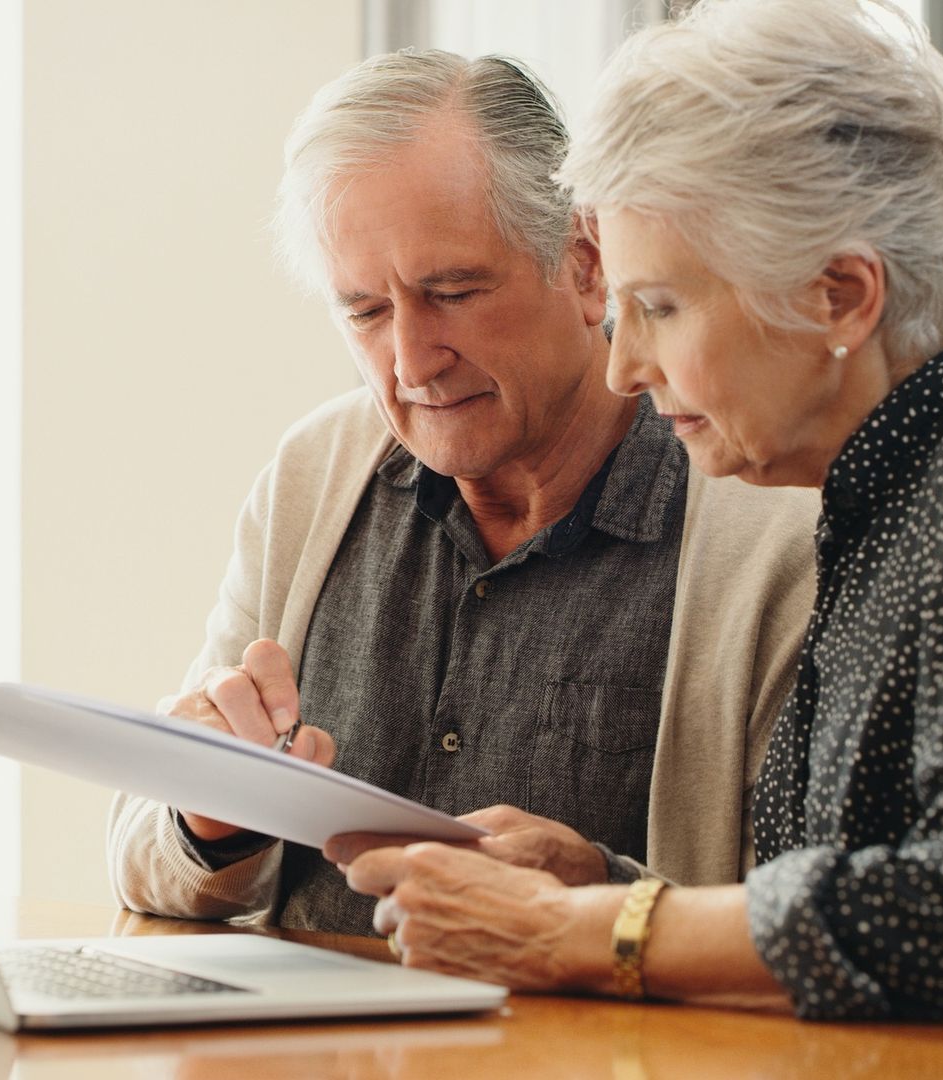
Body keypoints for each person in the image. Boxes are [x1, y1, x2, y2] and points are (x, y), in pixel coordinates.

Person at [333, 0, 943, 1029]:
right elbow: (849, 917)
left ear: (840, 296)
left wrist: (577, 931)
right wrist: (602, 888)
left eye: (663, 308)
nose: (626, 367)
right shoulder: (891, 503)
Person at [105, 49, 819, 934]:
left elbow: (812, 923)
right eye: (364, 311)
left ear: (586, 262)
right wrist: (209, 818)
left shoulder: (766, 530)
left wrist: (603, 896)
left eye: (451, 292)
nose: (409, 361)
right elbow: (139, 853)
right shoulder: (315, 475)